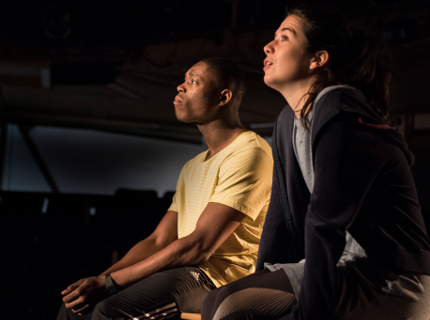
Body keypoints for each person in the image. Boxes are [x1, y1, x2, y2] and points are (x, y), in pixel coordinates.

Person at [202, 5, 430, 320]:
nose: (268, 46)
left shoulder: (342, 113)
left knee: (228, 304)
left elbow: (325, 223)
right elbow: (280, 218)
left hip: (390, 279)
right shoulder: (288, 121)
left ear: (317, 59)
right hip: (341, 266)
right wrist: (258, 280)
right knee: (223, 302)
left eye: (284, 38)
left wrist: (308, 313)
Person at [57, 57, 273, 320]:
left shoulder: (250, 151)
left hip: (218, 279)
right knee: (76, 309)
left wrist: (111, 285)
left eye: (193, 81)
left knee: (109, 311)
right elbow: (157, 240)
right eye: (183, 80)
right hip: (183, 270)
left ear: (223, 97)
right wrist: (99, 280)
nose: (180, 87)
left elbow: (199, 246)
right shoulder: (192, 167)